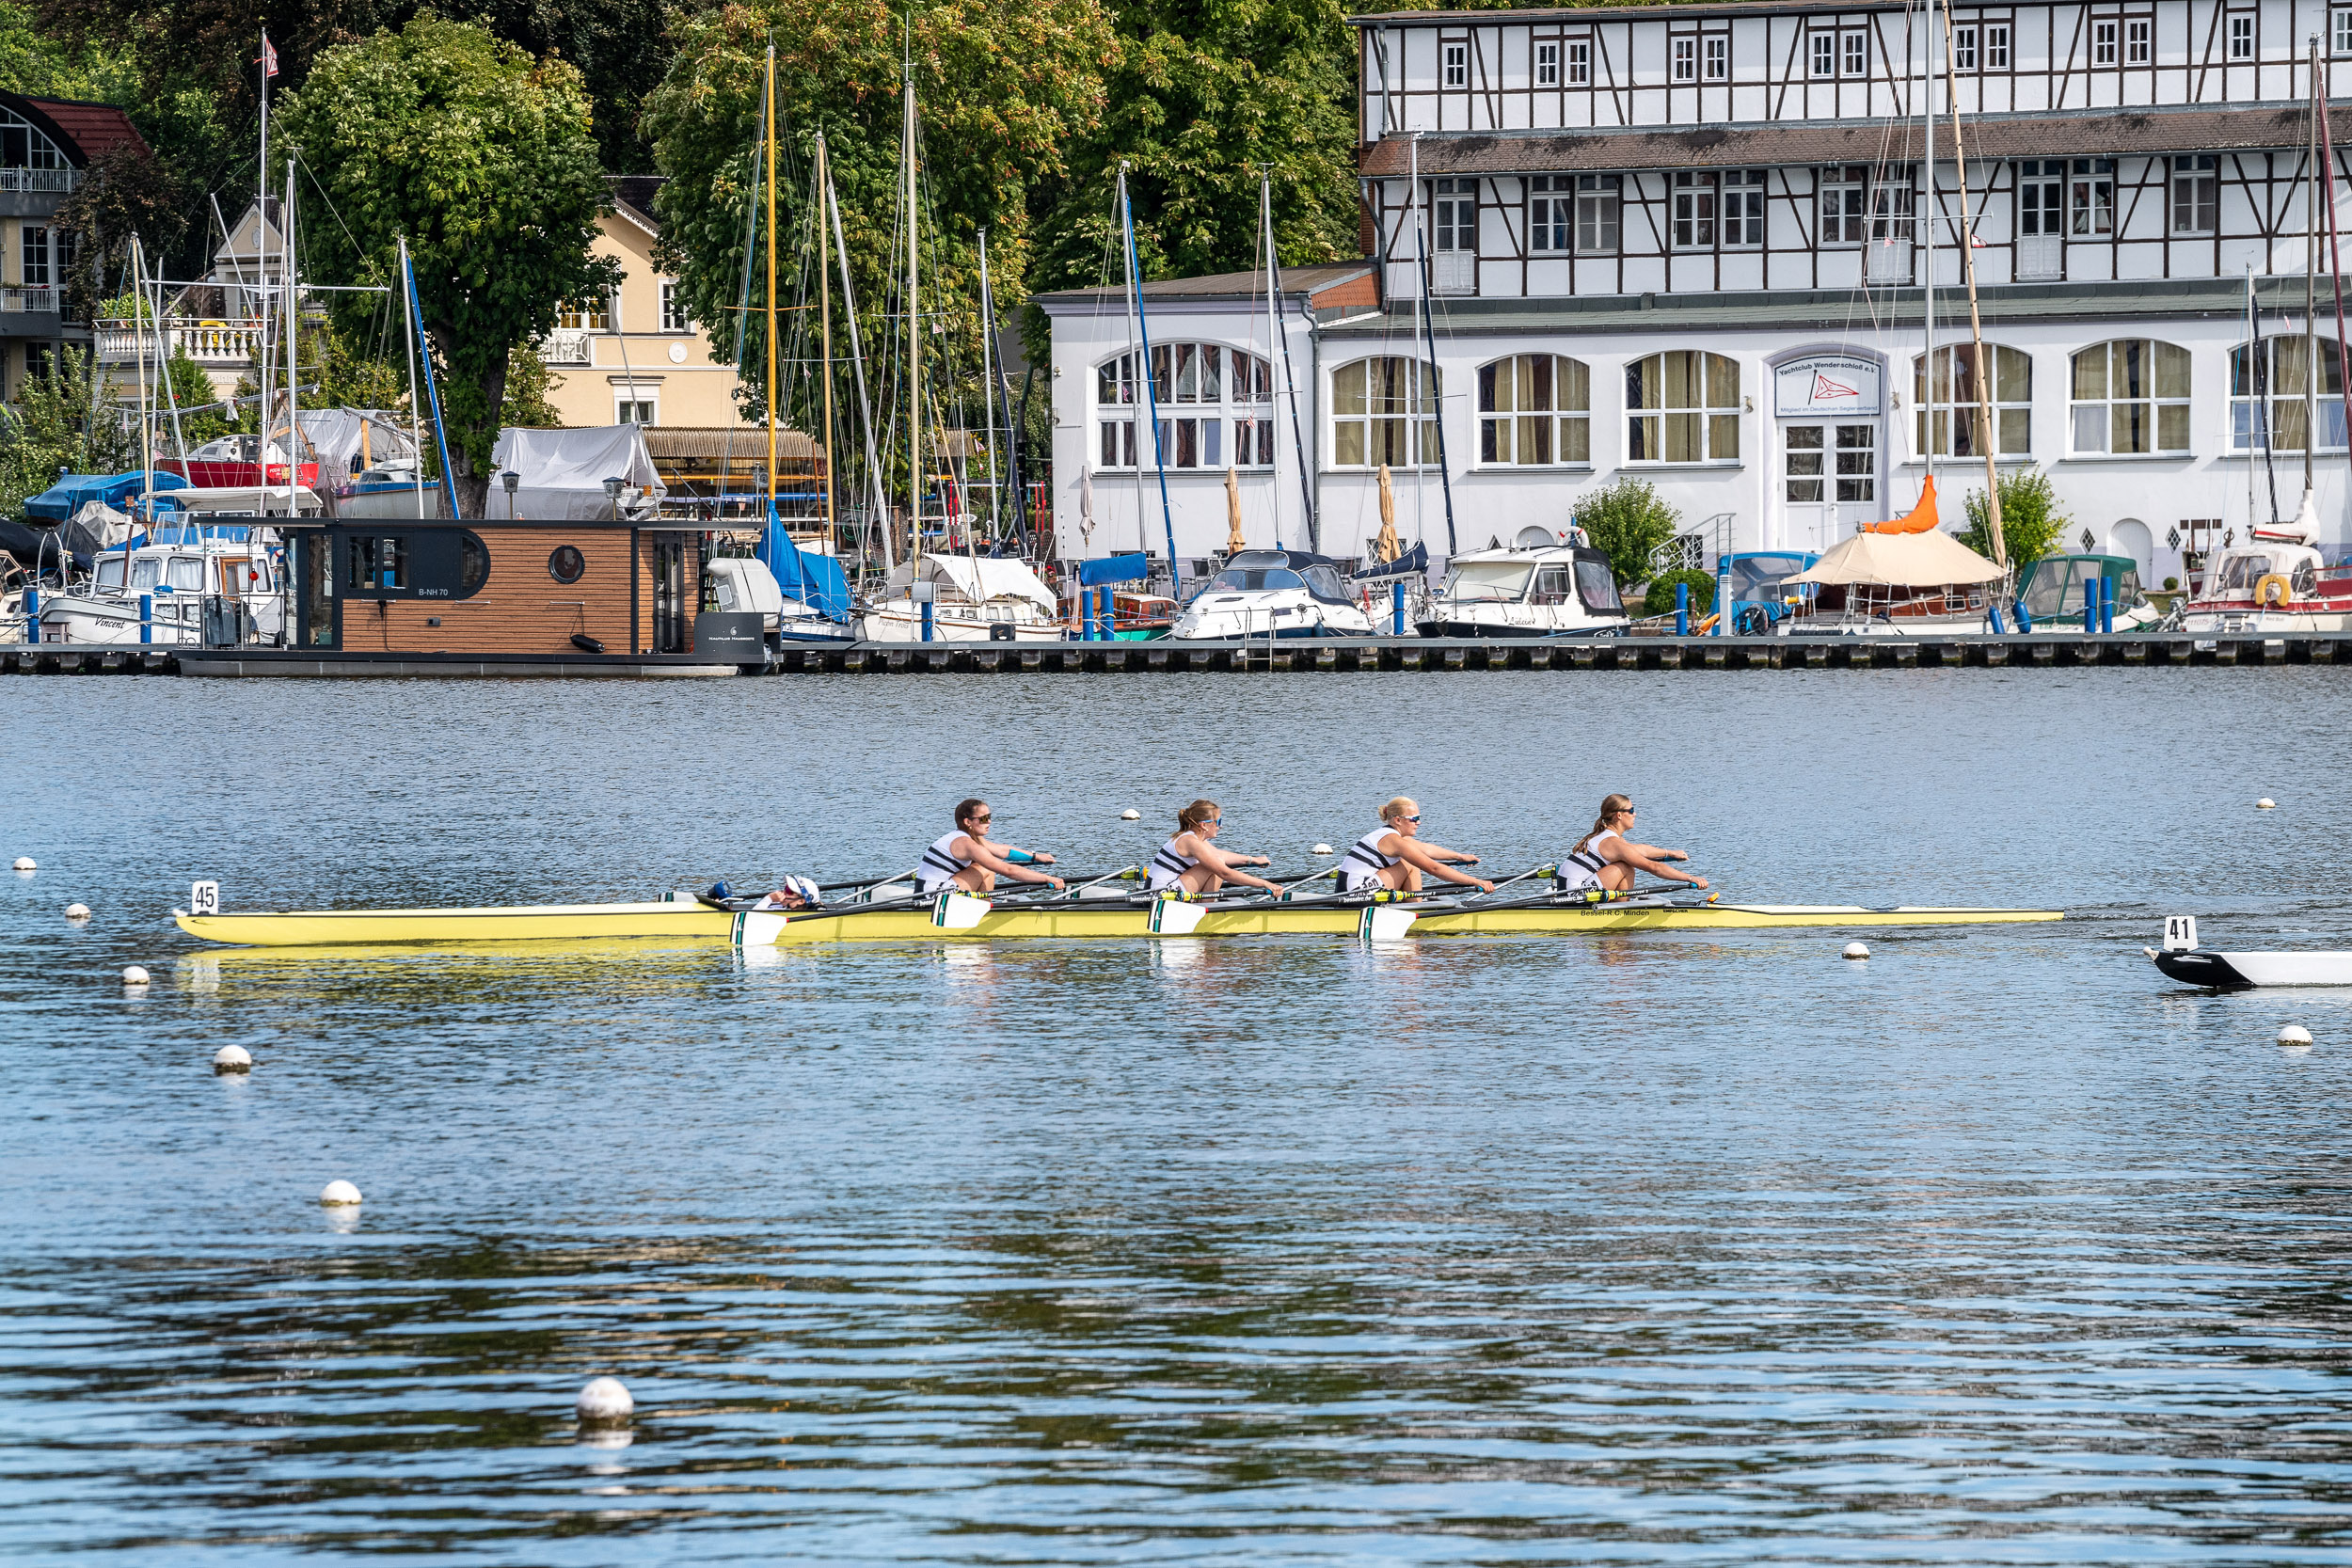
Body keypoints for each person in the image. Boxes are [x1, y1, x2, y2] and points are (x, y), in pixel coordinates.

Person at [1337, 797, 1495, 895]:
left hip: (1350, 889)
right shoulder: (1393, 840)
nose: (1418, 822)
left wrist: (1460, 857)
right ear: (1397, 820)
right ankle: (1414, 907)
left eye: (1419, 817)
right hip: (1353, 894)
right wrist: (1476, 881)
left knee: (1411, 860)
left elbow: (1426, 849)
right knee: (1410, 863)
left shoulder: (1392, 836)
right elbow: (1434, 868)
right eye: (1414, 818)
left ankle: (1411, 903)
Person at [1558, 794, 1707, 894]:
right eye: (1632, 810)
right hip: (1574, 895)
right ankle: (1620, 909)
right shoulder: (1612, 842)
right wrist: (1690, 878)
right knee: (1626, 866)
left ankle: (1619, 905)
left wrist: (1669, 853)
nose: (1635, 814)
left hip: (1567, 890)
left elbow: (1640, 850)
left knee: (1627, 861)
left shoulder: (1607, 837)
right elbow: (1653, 867)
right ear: (1619, 815)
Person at [916, 799, 1064, 895]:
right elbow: (1008, 870)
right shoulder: (966, 844)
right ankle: (985, 910)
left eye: (990, 817)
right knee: (986, 867)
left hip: (931, 891)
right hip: (931, 898)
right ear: (968, 822)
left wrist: (1036, 857)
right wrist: (1047, 878)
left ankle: (983, 906)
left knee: (985, 864)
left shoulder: (968, 838)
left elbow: (1003, 851)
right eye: (984, 819)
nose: (990, 822)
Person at [1148, 800, 1281, 896]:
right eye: (1218, 822)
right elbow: (1225, 873)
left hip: (1163, 890)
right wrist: (1265, 883)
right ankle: (1207, 908)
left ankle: (1207, 904)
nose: (1220, 826)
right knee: (1215, 867)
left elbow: (1221, 855)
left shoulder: (1195, 839)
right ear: (1204, 825)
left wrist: (1253, 860)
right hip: (1159, 896)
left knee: (1216, 862)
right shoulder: (1190, 842)